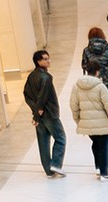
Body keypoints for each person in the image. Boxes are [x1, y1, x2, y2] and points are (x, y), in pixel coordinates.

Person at [24, 48, 67, 176]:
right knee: (60, 138)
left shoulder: (31, 76)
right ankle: (56, 164)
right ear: (38, 61)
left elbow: (26, 95)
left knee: (43, 142)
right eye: (45, 59)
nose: (49, 61)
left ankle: (48, 171)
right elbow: (43, 97)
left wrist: (35, 112)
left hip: (39, 115)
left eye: (48, 58)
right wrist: (38, 112)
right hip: (49, 114)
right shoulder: (46, 78)